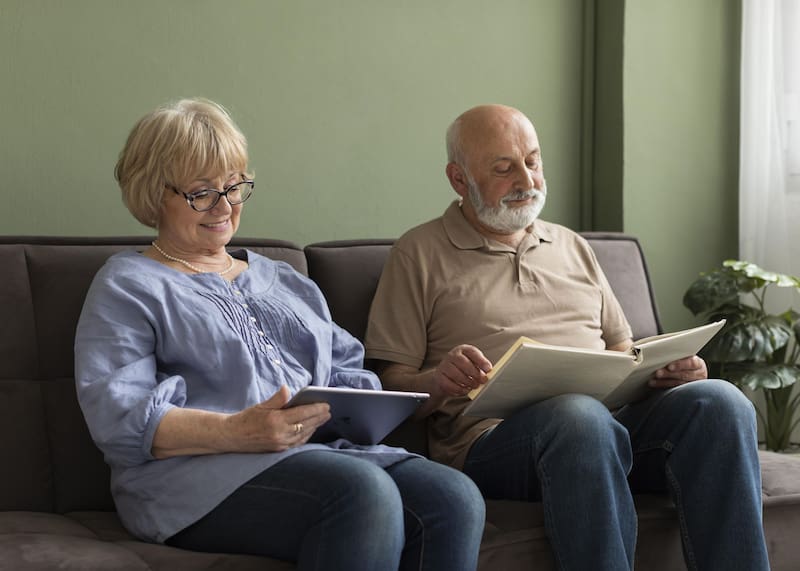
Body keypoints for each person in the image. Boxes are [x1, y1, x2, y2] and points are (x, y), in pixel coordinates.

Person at [74, 98, 485, 571]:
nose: (225, 206)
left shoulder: (286, 281)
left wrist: (413, 390)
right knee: (362, 493)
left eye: (234, 187)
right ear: (153, 193)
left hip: (326, 455)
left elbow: (347, 377)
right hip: (192, 478)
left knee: (454, 497)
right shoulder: (128, 284)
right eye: (201, 192)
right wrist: (237, 431)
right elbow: (119, 419)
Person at [364, 104, 770, 570]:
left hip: (607, 426)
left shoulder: (573, 246)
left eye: (533, 161)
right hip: (494, 445)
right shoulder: (418, 253)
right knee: (580, 416)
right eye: (504, 168)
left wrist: (669, 372)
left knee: (719, 401)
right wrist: (439, 379)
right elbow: (388, 386)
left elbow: (624, 354)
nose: (527, 179)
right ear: (459, 179)